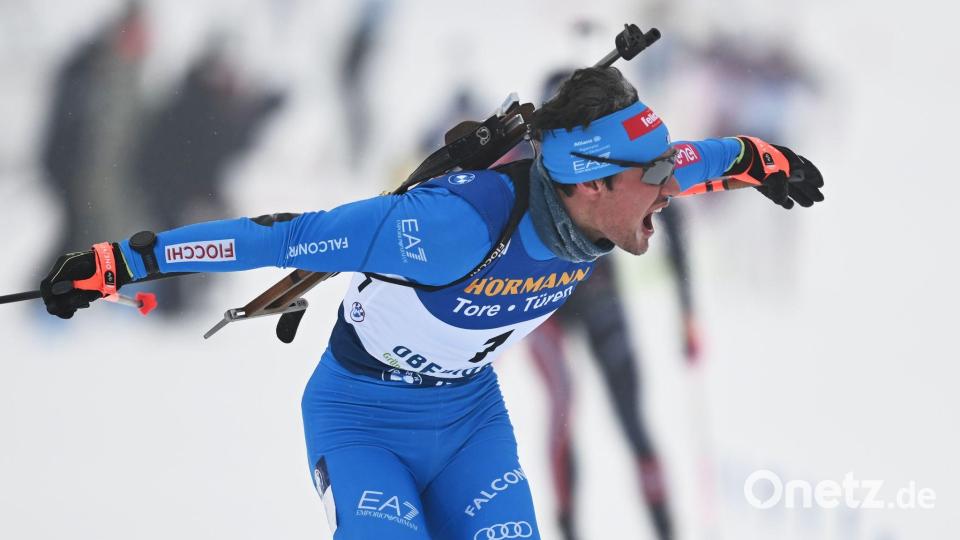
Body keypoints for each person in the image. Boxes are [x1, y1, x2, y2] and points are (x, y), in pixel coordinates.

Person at [38, 66, 823, 539]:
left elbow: (715, 157)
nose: (670, 187)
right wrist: (122, 260)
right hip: (363, 421)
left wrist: (766, 161)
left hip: (468, 423)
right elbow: (282, 237)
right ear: (591, 180)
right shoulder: (448, 225)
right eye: (652, 179)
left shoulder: (620, 185)